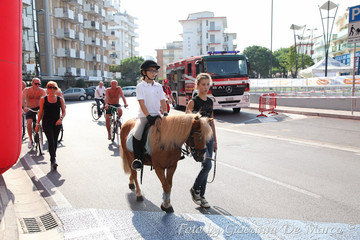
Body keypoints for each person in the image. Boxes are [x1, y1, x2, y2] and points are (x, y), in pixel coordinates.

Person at [186, 73, 217, 209]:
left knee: (206, 166)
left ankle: (201, 196)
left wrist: (215, 140)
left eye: (207, 84)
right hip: (199, 138)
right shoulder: (194, 101)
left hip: (209, 137)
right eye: (203, 84)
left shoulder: (210, 101)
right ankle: (195, 189)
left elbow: (212, 121)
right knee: (207, 166)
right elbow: (187, 119)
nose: (206, 87)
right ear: (197, 86)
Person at [131, 60, 168, 170]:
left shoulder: (158, 86)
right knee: (137, 134)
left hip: (157, 115)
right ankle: (138, 159)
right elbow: (141, 103)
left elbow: (163, 101)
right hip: (144, 116)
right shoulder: (140, 86)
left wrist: (165, 113)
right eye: (151, 70)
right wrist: (148, 116)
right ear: (144, 72)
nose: (153, 73)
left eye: (155, 71)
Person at [35, 81, 66, 171]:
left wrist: (61, 119)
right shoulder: (43, 99)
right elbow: (40, 112)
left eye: (54, 87)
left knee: (55, 141)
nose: (51, 89)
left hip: (57, 122)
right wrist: (37, 124)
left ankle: (53, 157)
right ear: (47, 89)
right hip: (46, 122)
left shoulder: (60, 99)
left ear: (56, 89)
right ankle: (53, 160)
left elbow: (64, 112)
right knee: (51, 140)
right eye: (50, 87)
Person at [22, 77, 46, 148]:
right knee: (29, 123)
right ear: (32, 83)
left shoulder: (41, 91)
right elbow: (22, 99)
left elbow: (45, 99)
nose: (37, 85)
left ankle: (41, 129)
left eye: (39, 84)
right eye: (36, 84)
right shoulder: (27, 90)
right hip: (29, 108)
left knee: (43, 119)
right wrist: (25, 107)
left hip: (38, 108)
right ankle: (30, 140)